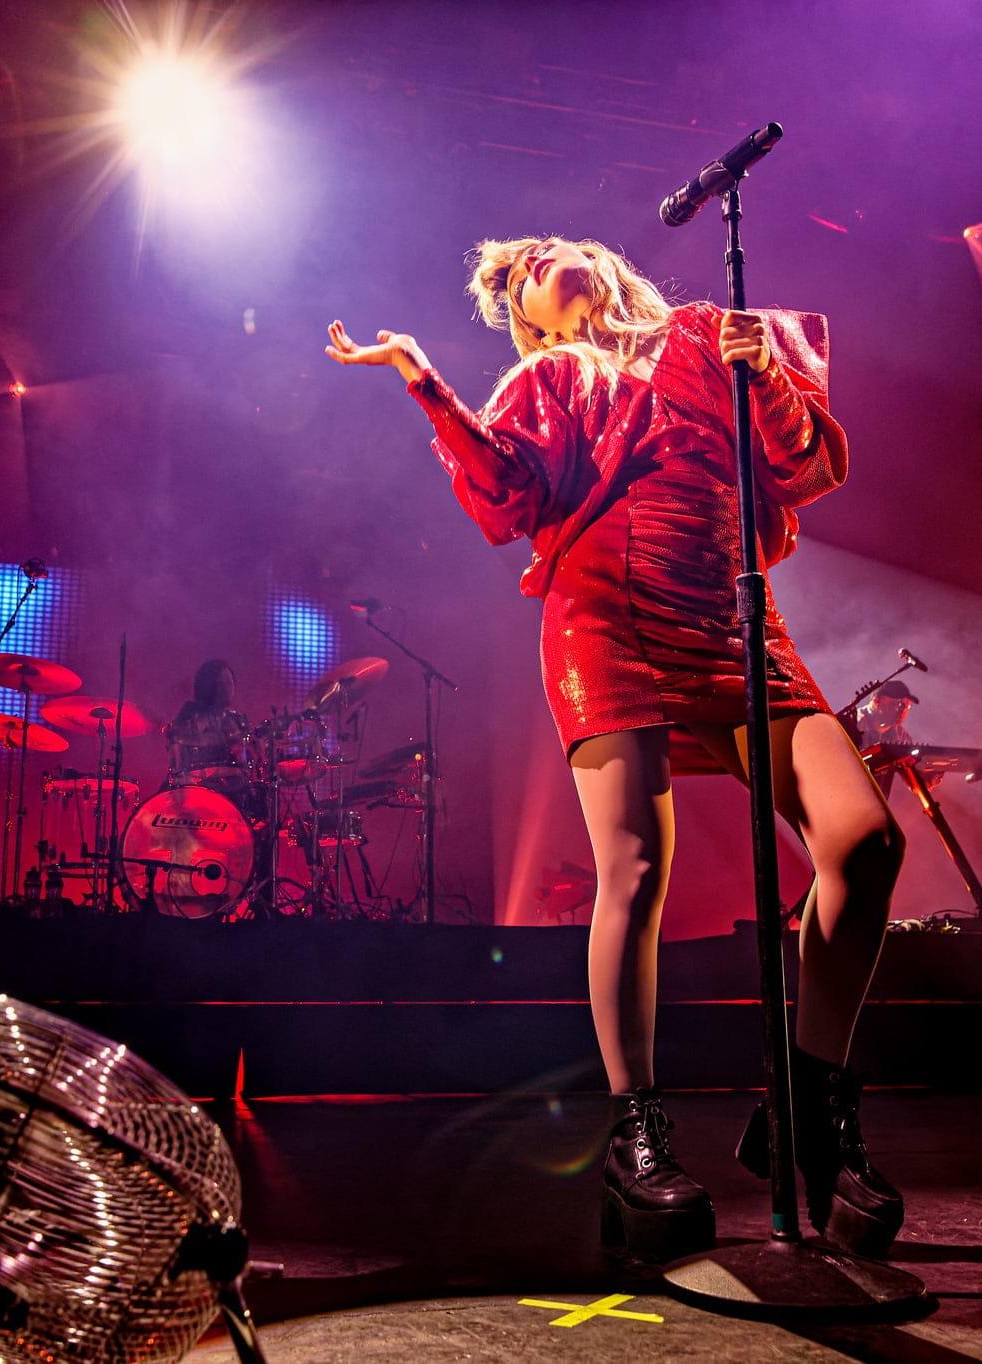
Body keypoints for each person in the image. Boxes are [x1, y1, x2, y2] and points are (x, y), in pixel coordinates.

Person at [325, 236, 905, 1260]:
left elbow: (807, 465)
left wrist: (763, 372)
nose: (550, 259)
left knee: (863, 844)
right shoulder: (549, 373)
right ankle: (636, 1132)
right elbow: (505, 496)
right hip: (605, 618)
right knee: (633, 870)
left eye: (558, 245)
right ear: (529, 315)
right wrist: (423, 381)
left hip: (734, 623)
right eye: (526, 267)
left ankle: (808, 1102)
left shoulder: (709, 339)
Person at [166, 659, 250, 792]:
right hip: (195, 786)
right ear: (211, 686)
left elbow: (247, 761)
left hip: (232, 787)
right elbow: (178, 743)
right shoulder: (190, 713)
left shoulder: (237, 719)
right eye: (226, 682)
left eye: (232, 682)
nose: (231, 687)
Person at [855, 679, 919, 749]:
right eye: (899, 704)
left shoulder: (903, 738)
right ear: (876, 702)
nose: (903, 711)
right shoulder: (851, 723)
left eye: (907, 706)